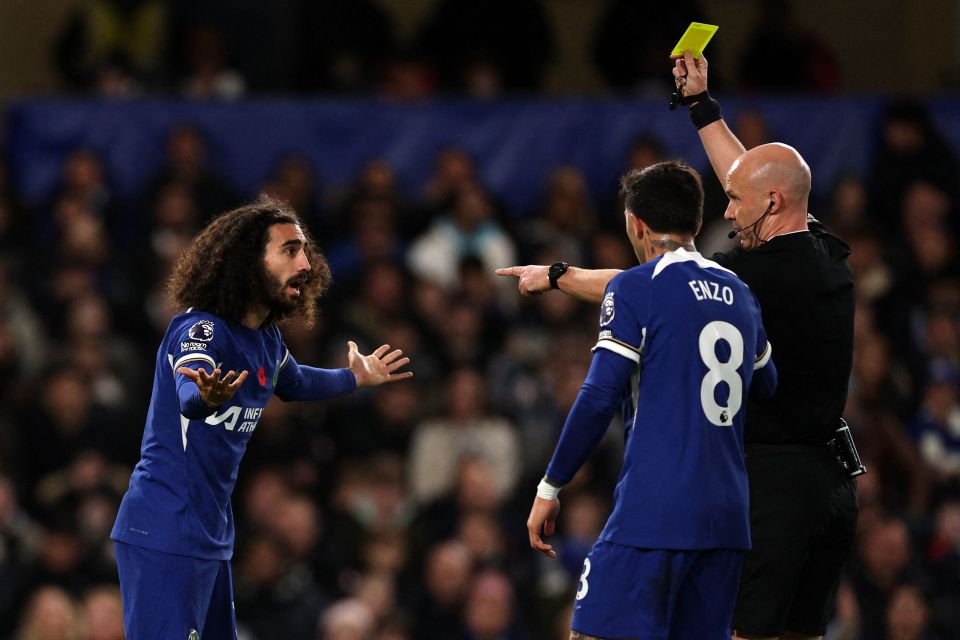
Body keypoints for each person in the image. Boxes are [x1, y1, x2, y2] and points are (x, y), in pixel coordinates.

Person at [499, 51, 858, 640]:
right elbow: (753, 178)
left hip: (742, 494)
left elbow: (644, 301)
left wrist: (559, 275)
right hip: (822, 489)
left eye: (736, 203)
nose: (728, 210)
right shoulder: (821, 255)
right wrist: (702, 107)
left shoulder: (748, 277)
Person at [110, 195, 412, 639]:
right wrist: (205, 398)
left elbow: (295, 382)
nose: (305, 264)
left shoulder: (266, 340)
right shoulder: (200, 328)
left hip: (209, 537)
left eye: (305, 251)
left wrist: (353, 378)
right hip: (163, 531)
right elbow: (188, 389)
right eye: (290, 250)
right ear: (248, 262)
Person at [524, 160, 778, 639]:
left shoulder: (636, 288)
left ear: (636, 224)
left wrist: (550, 488)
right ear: (698, 224)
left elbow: (600, 396)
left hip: (654, 513)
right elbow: (768, 383)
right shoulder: (741, 294)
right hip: (726, 521)